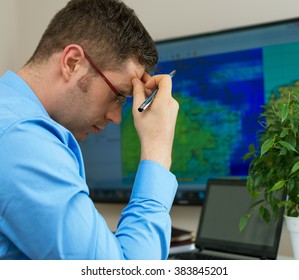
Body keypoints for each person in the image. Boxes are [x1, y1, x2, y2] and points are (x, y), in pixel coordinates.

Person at [0, 0, 179, 260]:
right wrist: (157, 150)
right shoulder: (21, 142)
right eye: (118, 96)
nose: (116, 117)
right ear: (72, 62)